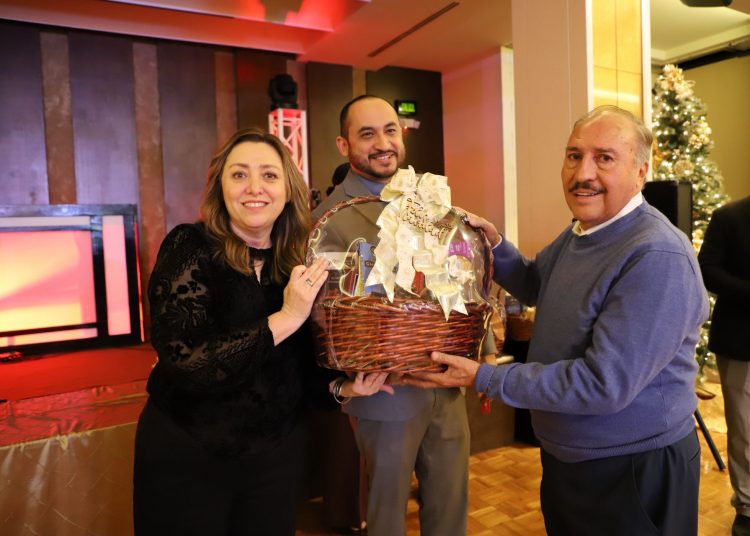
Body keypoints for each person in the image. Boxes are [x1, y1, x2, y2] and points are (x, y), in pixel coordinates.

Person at [406, 105, 709, 535]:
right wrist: (494, 245)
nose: (583, 173)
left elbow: (603, 384)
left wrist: (486, 377)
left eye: (604, 158)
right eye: (574, 155)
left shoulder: (656, 255)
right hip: (573, 457)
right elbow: (536, 283)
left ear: (641, 171)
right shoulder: (581, 231)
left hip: (631, 466)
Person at [133, 127, 389, 536]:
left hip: (274, 460)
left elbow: (301, 370)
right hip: (187, 454)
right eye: (239, 174)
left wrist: (344, 388)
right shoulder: (188, 246)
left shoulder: (297, 263)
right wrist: (287, 316)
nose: (255, 187)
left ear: (288, 190)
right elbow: (187, 362)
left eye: (269, 175)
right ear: (220, 188)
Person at [312, 95, 496, 536]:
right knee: (386, 516)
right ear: (343, 145)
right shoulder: (330, 220)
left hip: (446, 382)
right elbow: (324, 314)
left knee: (450, 508)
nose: (383, 143)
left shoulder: (427, 202)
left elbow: (462, 273)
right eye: (367, 134)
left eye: (390, 130)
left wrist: (485, 348)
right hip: (385, 392)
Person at [698, 195, 750, 536]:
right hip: (741, 339)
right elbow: (707, 270)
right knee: (745, 429)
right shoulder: (728, 216)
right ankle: (747, 505)